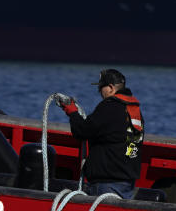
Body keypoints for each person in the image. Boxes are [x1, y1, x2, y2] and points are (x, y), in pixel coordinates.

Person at [58, 69, 144, 199]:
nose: (99, 92)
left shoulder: (109, 107)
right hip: (127, 183)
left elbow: (82, 131)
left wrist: (72, 112)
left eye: (101, 88)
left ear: (110, 88)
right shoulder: (134, 110)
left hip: (107, 184)